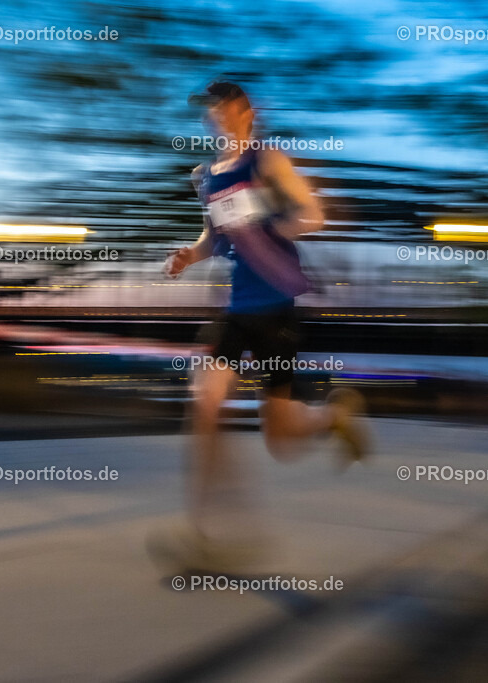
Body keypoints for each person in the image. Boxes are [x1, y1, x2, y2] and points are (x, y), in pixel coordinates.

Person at [150, 81, 371, 573]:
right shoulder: (205, 176)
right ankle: (201, 533)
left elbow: (311, 214)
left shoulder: (266, 161)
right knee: (204, 404)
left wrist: (277, 222)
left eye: (223, 106)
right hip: (237, 310)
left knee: (282, 442)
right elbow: (214, 235)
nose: (214, 115)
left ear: (245, 112)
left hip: (277, 311)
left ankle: (332, 417)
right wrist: (189, 254)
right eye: (209, 109)